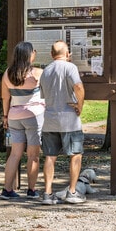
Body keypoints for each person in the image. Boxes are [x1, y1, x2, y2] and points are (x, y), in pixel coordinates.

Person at [39, 40, 86, 205]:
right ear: (67, 54)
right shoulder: (70, 67)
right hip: (69, 120)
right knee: (75, 155)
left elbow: (44, 95)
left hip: (50, 119)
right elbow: (78, 87)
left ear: (52, 55)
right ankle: (72, 192)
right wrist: (80, 105)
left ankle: (47, 193)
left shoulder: (46, 71)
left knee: (50, 157)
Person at [0, 41, 45, 200]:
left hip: (13, 116)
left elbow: (6, 97)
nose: (35, 53)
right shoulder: (37, 73)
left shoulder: (7, 73)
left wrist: (5, 116)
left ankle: (7, 190)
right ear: (29, 55)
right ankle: (31, 190)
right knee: (33, 155)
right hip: (34, 116)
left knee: (14, 154)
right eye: (34, 51)